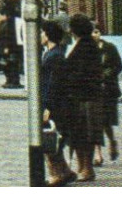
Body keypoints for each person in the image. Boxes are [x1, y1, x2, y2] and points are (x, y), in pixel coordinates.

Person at [62, 15, 100, 183]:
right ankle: (82, 166)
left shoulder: (86, 46)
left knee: (84, 133)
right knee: (80, 133)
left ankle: (87, 168)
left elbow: (82, 72)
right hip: (83, 95)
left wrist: (68, 80)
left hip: (85, 96)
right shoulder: (84, 44)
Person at [40, 21, 76, 186]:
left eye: (42, 33)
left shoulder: (55, 56)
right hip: (55, 102)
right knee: (53, 136)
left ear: (47, 35)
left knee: (50, 138)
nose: (40, 35)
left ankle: (56, 174)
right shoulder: (52, 53)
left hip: (55, 104)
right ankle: (65, 170)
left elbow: (53, 83)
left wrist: (47, 106)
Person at [92, 25, 122, 166]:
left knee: (106, 123)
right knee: (94, 123)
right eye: (91, 32)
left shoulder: (110, 48)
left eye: (96, 31)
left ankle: (112, 141)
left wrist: (107, 74)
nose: (94, 34)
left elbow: (119, 66)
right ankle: (98, 155)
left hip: (108, 91)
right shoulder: (86, 49)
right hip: (94, 91)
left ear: (100, 33)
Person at [0, 10, 23, 88]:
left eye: (0, 15)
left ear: (5, 15)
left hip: (9, 48)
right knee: (7, 65)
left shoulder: (8, 24)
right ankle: (9, 80)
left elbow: (8, 36)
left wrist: (6, 47)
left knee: (11, 64)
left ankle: (14, 81)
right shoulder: (3, 24)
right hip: (4, 47)